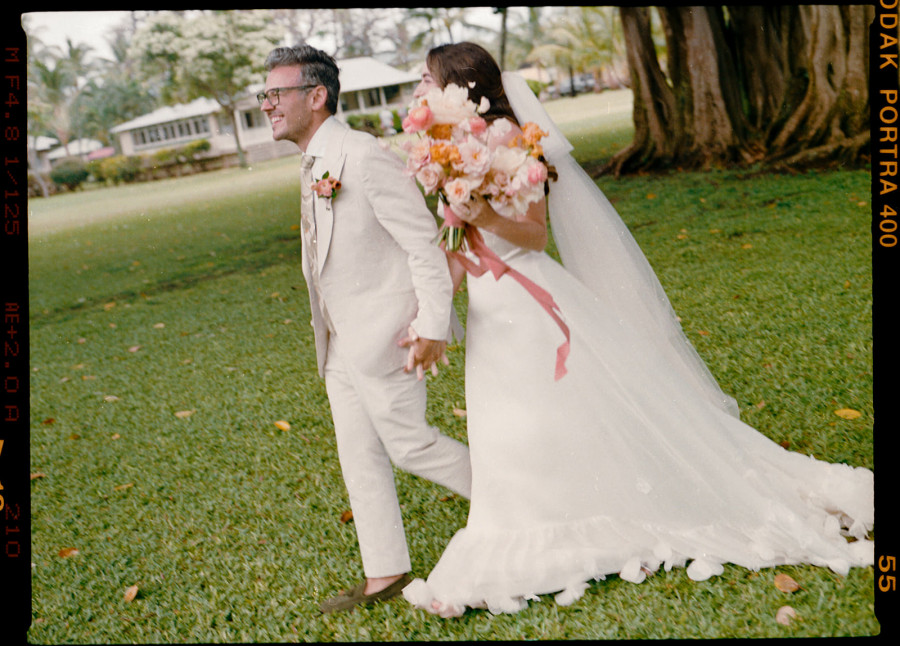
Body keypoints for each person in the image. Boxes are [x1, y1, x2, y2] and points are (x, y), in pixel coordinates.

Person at [400, 42, 874, 618]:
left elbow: (532, 236)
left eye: (428, 79)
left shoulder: (516, 146)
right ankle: (533, 513)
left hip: (532, 301)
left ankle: (558, 523)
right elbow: (458, 240)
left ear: (458, 87)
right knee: (509, 427)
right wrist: (431, 310)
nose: (420, 90)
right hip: (489, 311)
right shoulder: (447, 150)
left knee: (542, 416)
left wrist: (484, 214)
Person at [259, 45, 472, 613]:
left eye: (276, 94)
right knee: (359, 454)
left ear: (316, 96)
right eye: (265, 95)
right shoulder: (311, 161)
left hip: (388, 334)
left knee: (409, 445)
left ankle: (518, 500)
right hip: (338, 342)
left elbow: (422, 243)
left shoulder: (362, 154)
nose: (267, 105)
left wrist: (433, 324)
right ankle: (385, 571)